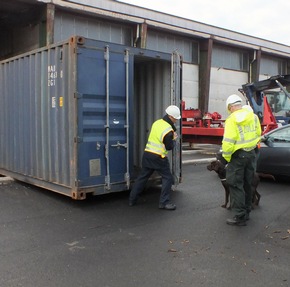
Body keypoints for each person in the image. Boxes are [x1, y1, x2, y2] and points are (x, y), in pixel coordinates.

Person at [129, 105, 181, 210]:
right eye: (176, 118)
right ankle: (164, 202)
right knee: (168, 178)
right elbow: (169, 147)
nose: (176, 120)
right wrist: (174, 139)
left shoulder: (157, 122)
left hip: (148, 154)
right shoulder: (168, 130)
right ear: (170, 117)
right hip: (159, 157)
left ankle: (132, 200)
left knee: (143, 177)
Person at [221, 95, 261, 226]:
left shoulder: (231, 120)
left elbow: (228, 142)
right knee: (247, 183)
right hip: (251, 154)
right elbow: (258, 133)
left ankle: (239, 216)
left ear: (231, 107)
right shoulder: (253, 117)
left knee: (235, 184)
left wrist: (226, 158)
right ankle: (247, 212)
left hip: (238, 156)